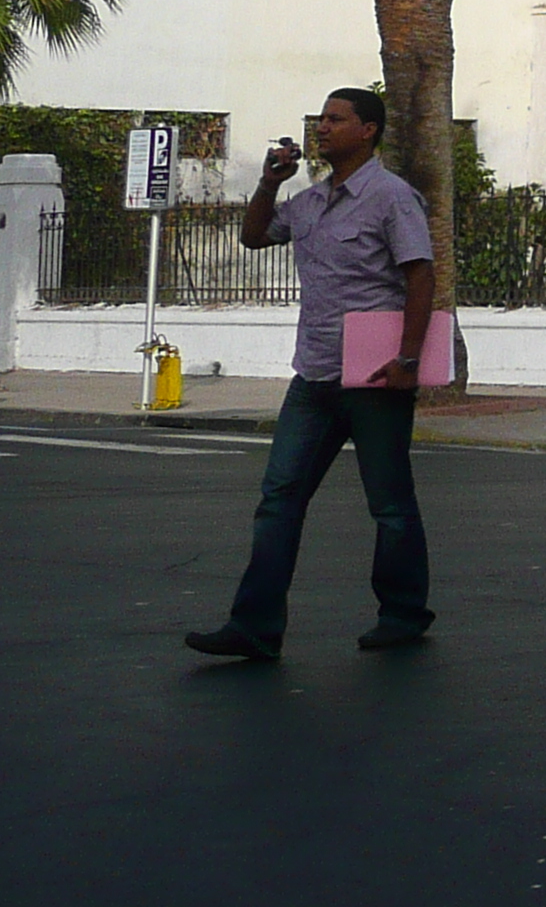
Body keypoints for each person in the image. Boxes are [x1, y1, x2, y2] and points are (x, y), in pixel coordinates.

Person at [186, 88, 435, 662]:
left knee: (390, 505)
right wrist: (272, 181)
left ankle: (402, 613)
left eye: (335, 119)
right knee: (278, 500)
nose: (322, 128)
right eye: (320, 119)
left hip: (374, 377)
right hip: (315, 375)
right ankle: (254, 627)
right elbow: (253, 236)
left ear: (368, 130)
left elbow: (419, 276)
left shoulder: (392, 197)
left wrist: (409, 358)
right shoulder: (311, 201)